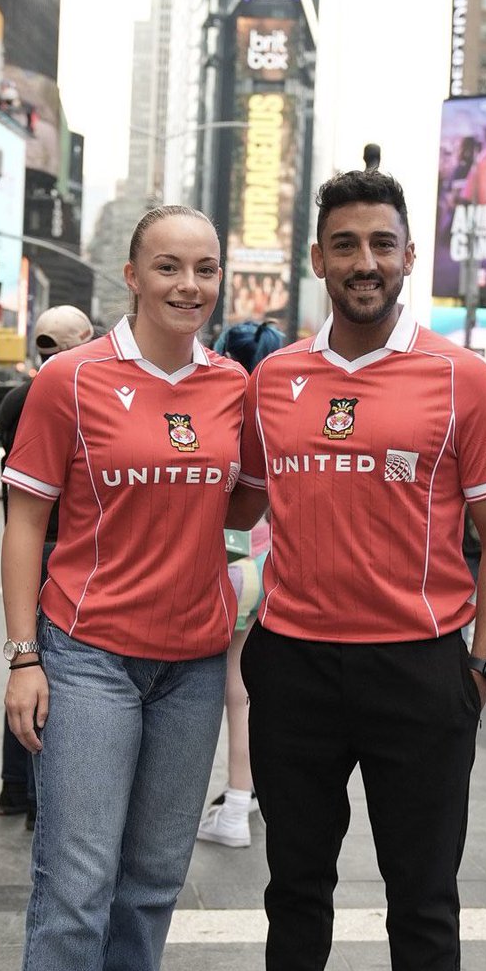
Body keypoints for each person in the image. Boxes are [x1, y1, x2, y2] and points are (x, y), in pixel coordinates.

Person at [195, 171, 486, 971]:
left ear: (408, 257)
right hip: (294, 664)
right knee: (295, 881)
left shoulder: (461, 379)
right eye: (345, 245)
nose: (365, 262)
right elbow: (237, 502)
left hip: (420, 670)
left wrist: (479, 668)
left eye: (382, 244)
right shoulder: (275, 380)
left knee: (421, 891)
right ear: (318, 260)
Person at [2, 205, 247, 971]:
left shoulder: (234, 387)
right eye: (170, 267)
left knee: (150, 879)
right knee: (76, 881)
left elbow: (249, 498)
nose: (190, 285)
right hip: (89, 653)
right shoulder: (69, 380)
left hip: (193, 662)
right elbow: (27, 523)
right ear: (132, 276)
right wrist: (24, 657)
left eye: (206, 268)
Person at [0, 306, 95, 828]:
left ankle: (15, 787)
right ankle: (37, 797)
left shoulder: (15, 399)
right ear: (85, 338)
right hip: (64, 547)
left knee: (25, 667)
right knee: (46, 673)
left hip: (30, 547)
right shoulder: (72, 391)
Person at [196, 319, 284, 848]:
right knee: (241, 688)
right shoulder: (279, 406)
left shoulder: (219, 405)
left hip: (217, 556)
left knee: (204, 685)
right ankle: (238, 800)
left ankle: (227, 809)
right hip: (263, 559)